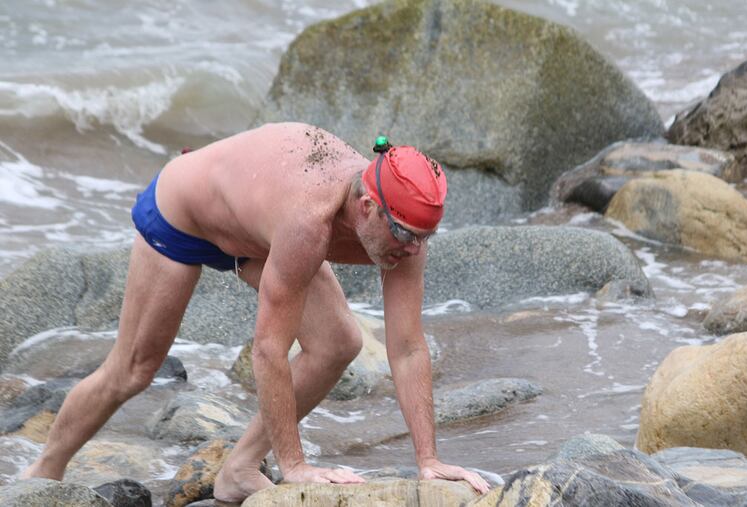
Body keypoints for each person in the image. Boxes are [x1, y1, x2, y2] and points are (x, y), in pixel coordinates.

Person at [22, 122, 490, 501]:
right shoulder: (310, 221)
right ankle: (42, 475)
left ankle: (240, 468)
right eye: (405, 236)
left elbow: (407, 348)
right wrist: (295, 467)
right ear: (367, 207)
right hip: (183, 214)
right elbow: (268, 349)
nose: (413, 250)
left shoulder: (407, 225)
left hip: (254, 234)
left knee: (337, 344)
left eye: (422, 238)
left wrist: (429, 461)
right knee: (133, 370)